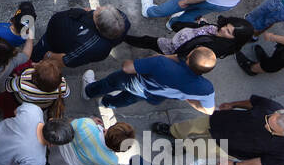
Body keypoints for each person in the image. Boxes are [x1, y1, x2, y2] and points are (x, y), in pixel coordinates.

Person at [151, 95, 284, 165]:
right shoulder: (273, 108)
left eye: (270, 128)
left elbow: (263, 163)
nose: (265, 123)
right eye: (268, 118)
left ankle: (183, 147)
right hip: (222, 121)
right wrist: (233, 104)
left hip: (227, 146)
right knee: (190, 126)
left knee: (198, 149)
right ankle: (172, 131)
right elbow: (252, 103)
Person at [83, 46, 217, 115]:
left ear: (188, 56)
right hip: (152, 96)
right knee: (126, 99)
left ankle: (88, 92)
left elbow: (127, 68)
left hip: (133, 81)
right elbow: (208, 110)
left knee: (110, 83)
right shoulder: (206, 89)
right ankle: (105, 103)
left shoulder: (161, 62)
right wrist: (188, 98)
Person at [123, 16, 255, 62]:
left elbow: (186, 56)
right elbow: (206, 30)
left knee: (147, 41)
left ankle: (123, 37)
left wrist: (167, 58)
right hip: (179, 40)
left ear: (234, 39)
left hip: (173, 48)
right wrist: (203, 24)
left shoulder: (213, 48)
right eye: (226, 25)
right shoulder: (219, 34)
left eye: (228, 31)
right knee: (148, 41)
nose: (223, 28)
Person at [49, 116, 136, 165]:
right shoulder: (112, 161)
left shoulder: (86, 124)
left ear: (108, 129)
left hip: (61, 148)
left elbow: (69, 126)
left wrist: (91, 121)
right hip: (74, 164)